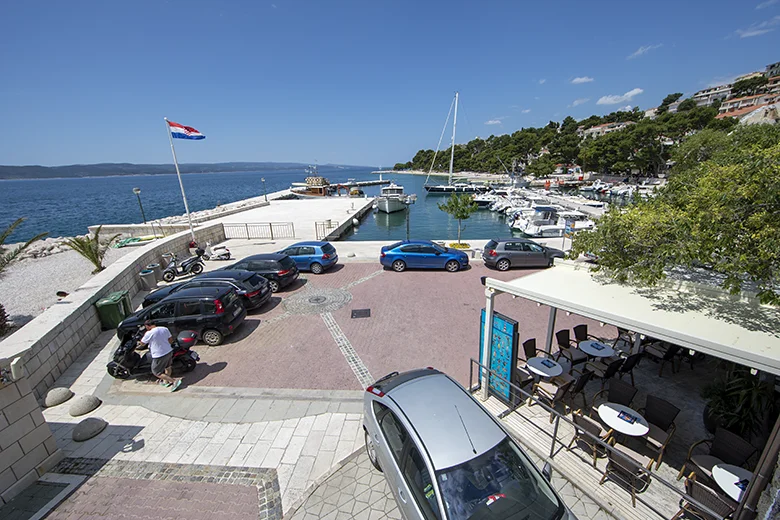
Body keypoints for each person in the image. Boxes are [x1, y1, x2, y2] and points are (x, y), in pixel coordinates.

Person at [139, 320, 182, 392]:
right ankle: (166, 382)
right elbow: (170, 340)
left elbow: (142, 343)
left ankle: (174, 381)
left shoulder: (149, 333)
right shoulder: (164, 328)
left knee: (156, 372)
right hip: (168, 351)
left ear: (147, 326)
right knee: (168, 367)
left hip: (159, 355)